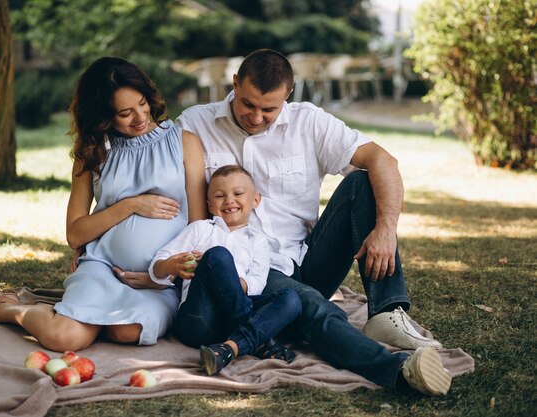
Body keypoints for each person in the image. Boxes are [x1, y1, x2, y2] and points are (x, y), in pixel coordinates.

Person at [173, 49, 452, 396]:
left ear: (287, 96)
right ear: (234, 84)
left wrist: (386, 229)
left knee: (361, 183)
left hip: (306, 259)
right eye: (248, 104)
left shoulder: (309, 122)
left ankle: (386, 312)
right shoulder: (194, 124)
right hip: (249, 273)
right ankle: (397, 371)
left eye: (269, 109)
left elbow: (383, 160)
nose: (256, 117)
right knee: (313, 308)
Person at [0, 56, 208, 351]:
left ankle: (75, 314)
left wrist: (160, 274)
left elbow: (198, 227)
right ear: (103, 116)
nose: (140, 117)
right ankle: (4, 310)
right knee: (65, 339)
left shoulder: (184, 143)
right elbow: (75, 234)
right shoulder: (93, 153)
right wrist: (130, 205)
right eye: (124, 113)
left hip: (158, 281)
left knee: (129, 331)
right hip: (103, 266)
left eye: (142, 103)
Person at [148, 165, 302, 375]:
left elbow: (257, 284)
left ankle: (229, 349)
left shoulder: (258, 242)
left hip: (231, 324)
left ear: (255, 200)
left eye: (238, 194)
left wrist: (226, 279)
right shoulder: (201, 229)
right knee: (218, 256)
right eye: (220, 196)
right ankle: (262, 341)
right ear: (210, 205)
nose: (229, 200)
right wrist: (172, 265)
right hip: (198, 320)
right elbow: (157, 264)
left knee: (291, 299)